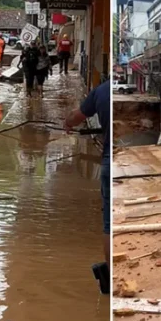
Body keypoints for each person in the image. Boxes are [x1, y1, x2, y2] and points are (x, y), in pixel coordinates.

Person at [65, 79, 111, 294]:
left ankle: (112, 279)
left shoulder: (100, 91)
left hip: (110, 162)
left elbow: (77, 116)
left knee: (109, 225)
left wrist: (67, 124)